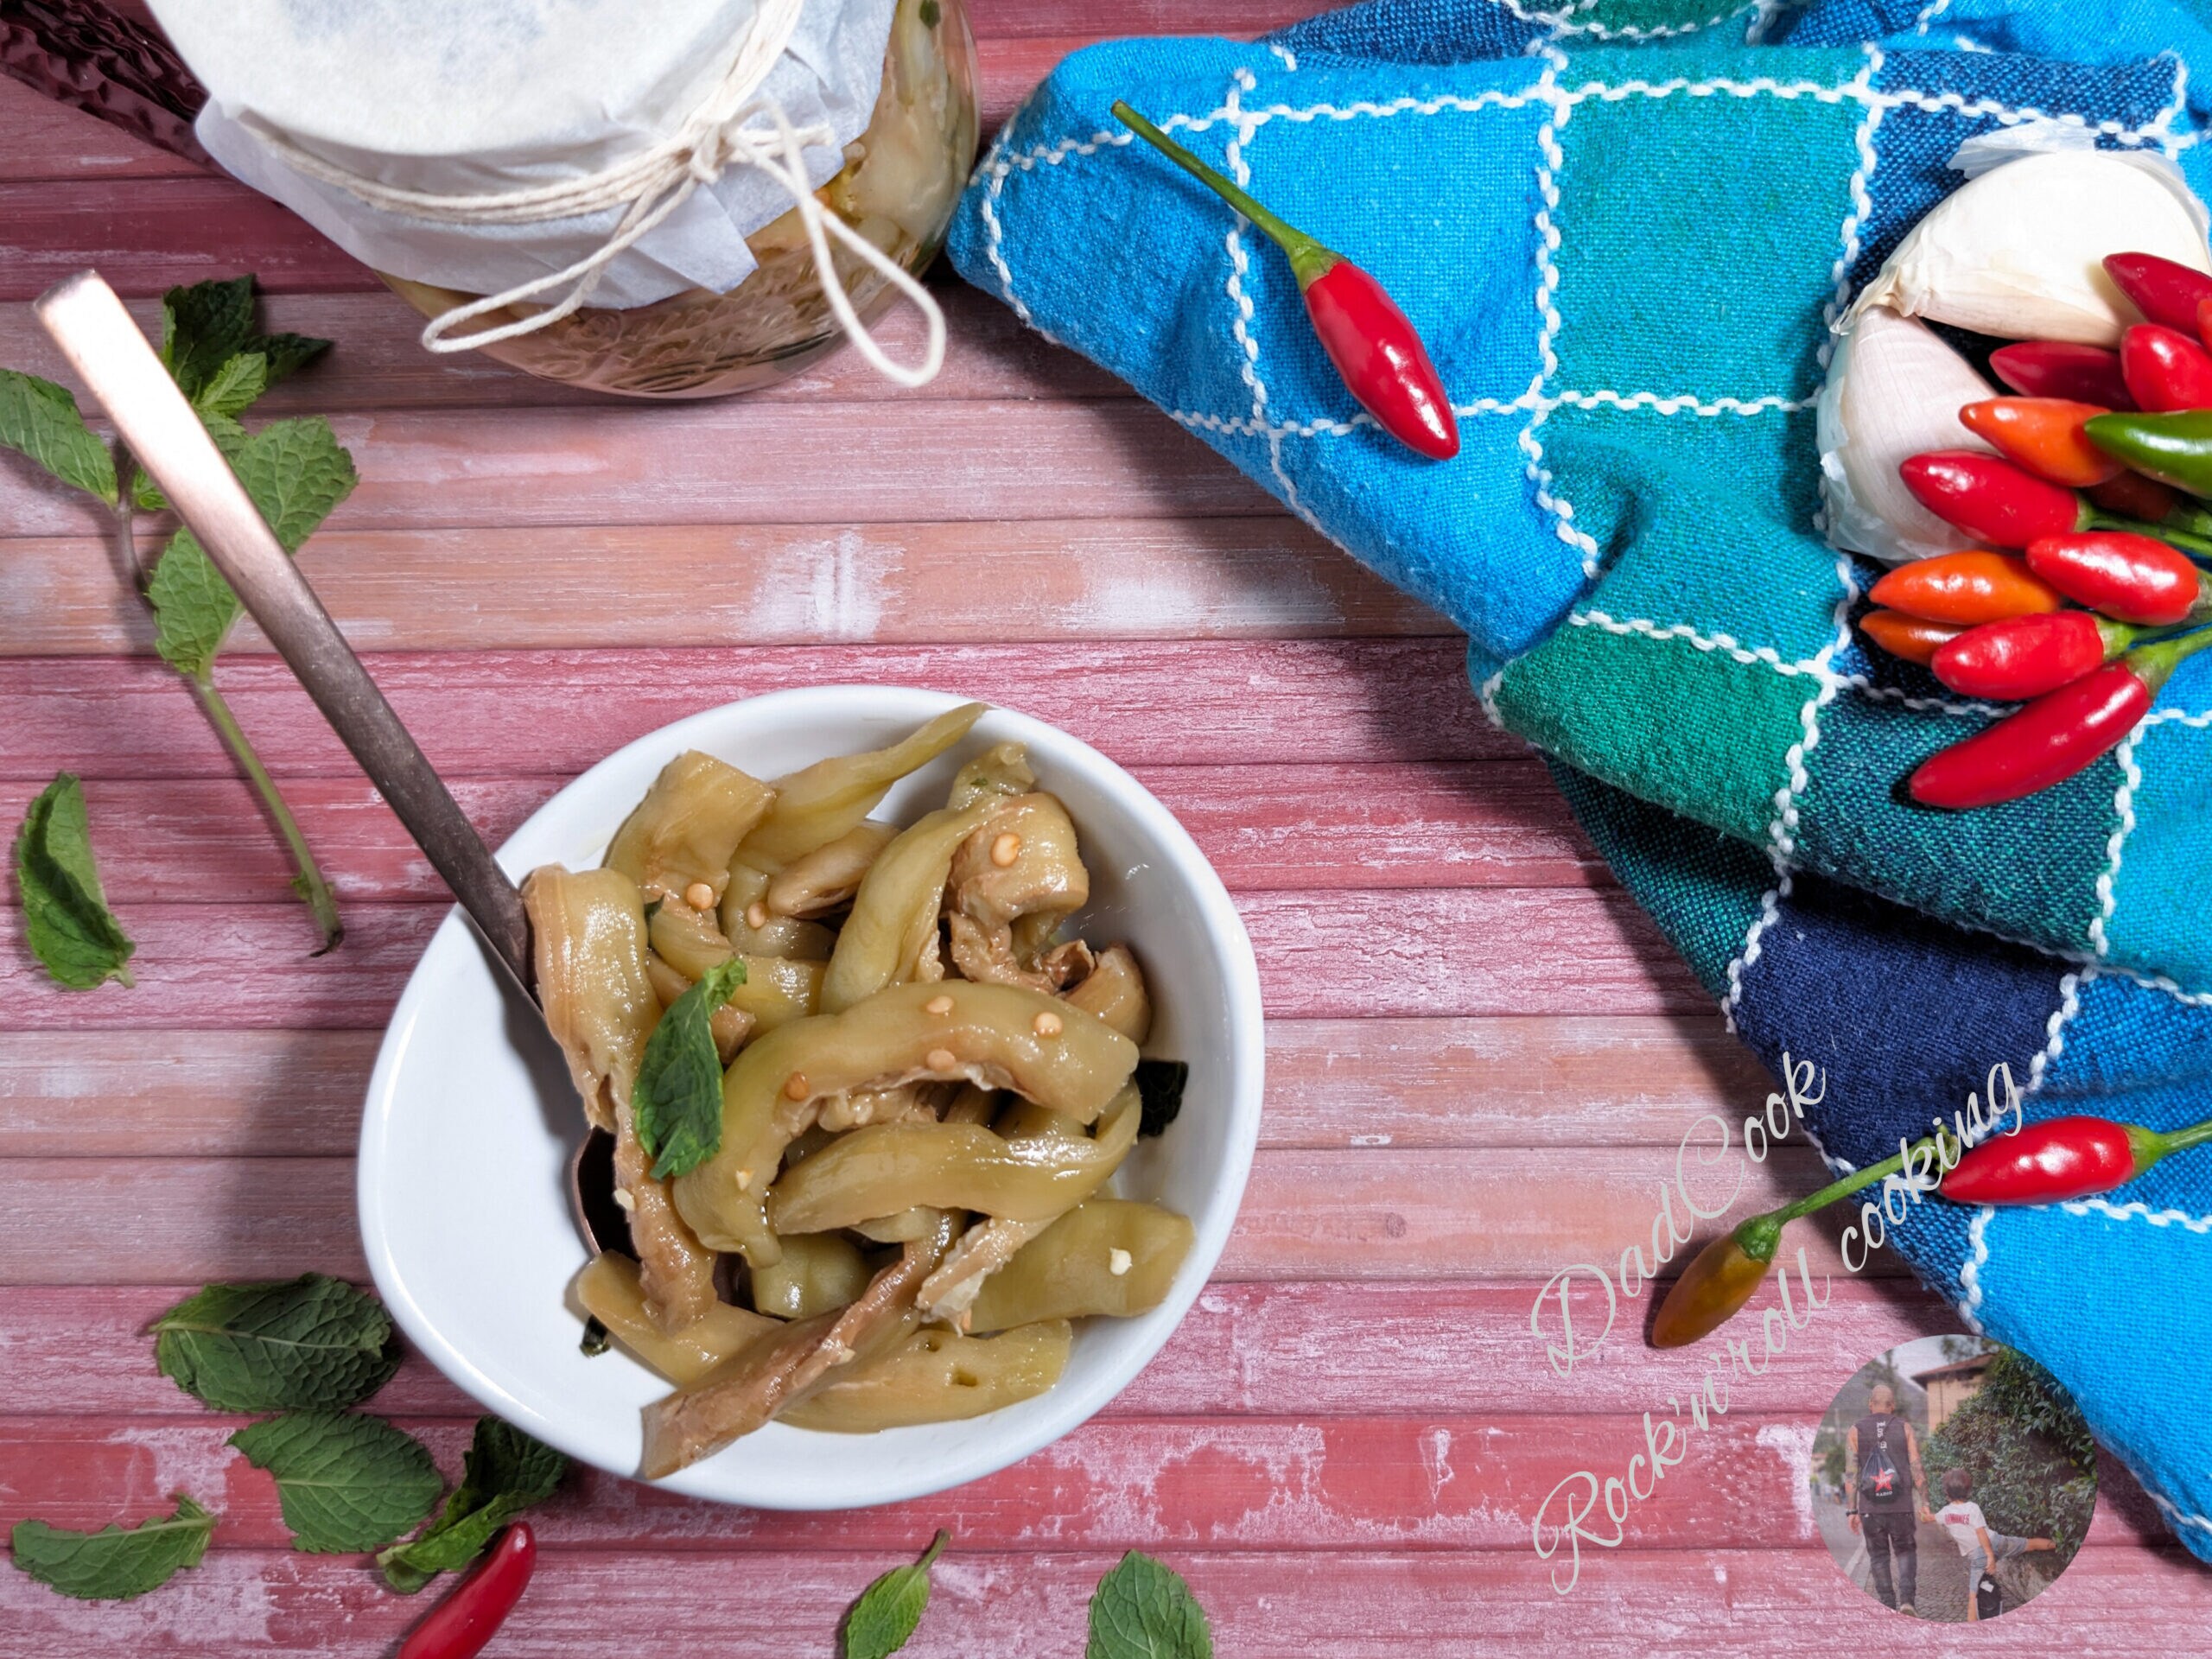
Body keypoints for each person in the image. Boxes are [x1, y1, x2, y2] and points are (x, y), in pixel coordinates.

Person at [1846, 1384, 1932, 1614]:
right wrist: (1925, 1503)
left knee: (1879, 1557)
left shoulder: (1855, 1430)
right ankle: (1907, 1602)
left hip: (1870, 1509)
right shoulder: (1904, 1428)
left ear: (1870, 1404)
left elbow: (1850, 1474)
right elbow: (1916, 1467)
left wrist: (1852, 1511)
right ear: (1892, 1405)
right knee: (1905, 1551)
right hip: (1901, 1505)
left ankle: (1887, 1605)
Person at [1934, 1466, 2056, 1622]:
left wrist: (1990, 1556)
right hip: (1997, 1541)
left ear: (1946, 1492)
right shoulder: (1972, 1508)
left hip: (1981, 1553)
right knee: (2029, 1544)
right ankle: (2060, 1545)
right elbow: (1981, 1531)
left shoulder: (1945, 1512)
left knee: (1973, 1596)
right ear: (1968, 1490)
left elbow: (1980, 1533)